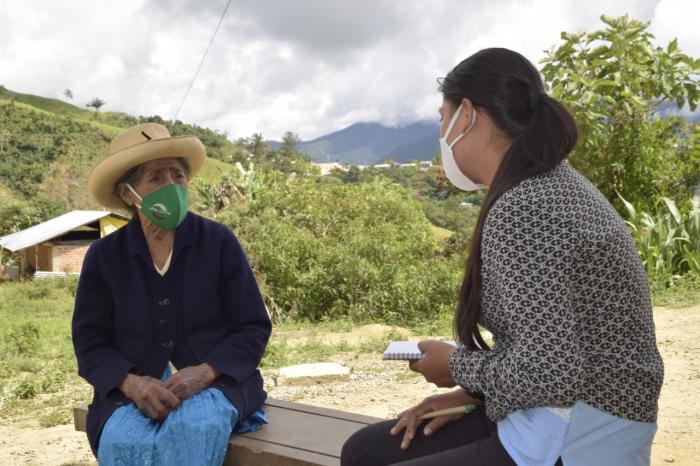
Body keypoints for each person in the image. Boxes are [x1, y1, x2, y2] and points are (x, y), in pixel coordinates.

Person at [341, 48, 663, 466]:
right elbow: (548, 348)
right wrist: (473, 394)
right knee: (365, 451)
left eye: (443, 117)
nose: (442, 131)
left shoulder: (525, 207)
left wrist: (457, 367)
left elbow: (550, 375)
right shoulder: (550, 183)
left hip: (578, 433)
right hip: (566, 410)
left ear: (467, 115)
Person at [72, 123, 272, 465]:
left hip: (218, 383)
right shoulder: (104, 257)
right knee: (122, 442)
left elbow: (253, 326)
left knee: (192, 429)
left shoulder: (217, 241)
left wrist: (206, 372)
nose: (172, 186)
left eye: (177, 176)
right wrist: (132, 384)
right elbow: (90, 342)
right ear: (127, 194)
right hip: (129, 392)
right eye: (156, 178)